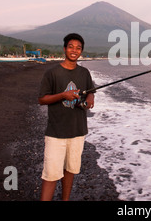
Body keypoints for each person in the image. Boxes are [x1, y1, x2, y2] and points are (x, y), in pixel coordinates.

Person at [38, 33, 95, 201]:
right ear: (64, 49)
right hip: (56, 132)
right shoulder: (52, 73)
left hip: (77, 131)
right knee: (51, 174)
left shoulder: (84, 73)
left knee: (70, 170)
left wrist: (89, 101)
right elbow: (42, 99)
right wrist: (63, 95)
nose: (74, 50)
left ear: (81, 51)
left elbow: (91, 93)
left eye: (78, 48)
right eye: (71, 47)